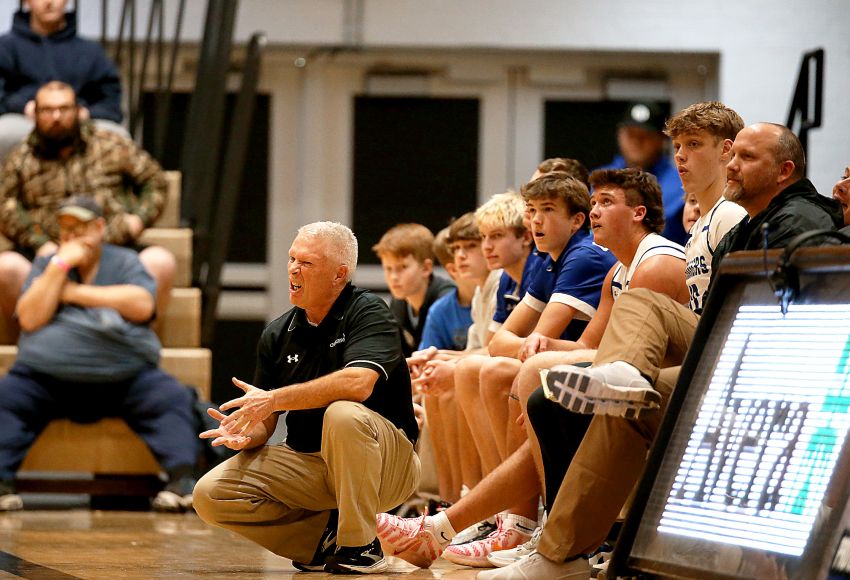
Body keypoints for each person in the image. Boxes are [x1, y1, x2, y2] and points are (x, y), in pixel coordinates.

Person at [491, 123, 844, 580]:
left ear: (784, 171)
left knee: (623, 362)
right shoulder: (743, 223)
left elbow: (797, 309)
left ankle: (554, 545)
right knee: (623, 392)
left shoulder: (797, 218)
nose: (733, 165)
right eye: (733, 155)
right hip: (723, 347)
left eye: (747, 157)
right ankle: (561, 553)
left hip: (759, 362)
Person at [375, 167, 688, 569]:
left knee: (521, 380)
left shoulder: (645, 262)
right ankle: (471, 519)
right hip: (620, 371)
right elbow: (578, 346)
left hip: (662, 380)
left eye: (606, 203)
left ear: (638, 213)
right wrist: (544, 354)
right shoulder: (614, 269)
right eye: (593, 202)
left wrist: (540, 361)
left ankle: (519, 525)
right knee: (496, 377)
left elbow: (636, 354)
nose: (595, 211)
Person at [193, 221, 420, 575]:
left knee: (343, 414)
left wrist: (274, 399)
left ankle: (361, 546)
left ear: (339, 274)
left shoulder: (369, 312)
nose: (293, 269)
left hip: (385, 466)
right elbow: (266, 420)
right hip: (310, 463)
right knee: (209, 493)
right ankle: (320, 541)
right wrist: (247, 434)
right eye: (292, 259)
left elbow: (359, 383)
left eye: (307, 262)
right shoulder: (277, 333)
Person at [0, 196, 196, 513]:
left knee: (172, 397)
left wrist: (71, 294)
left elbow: (142, 304)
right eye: (65, 228)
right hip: (45, 377)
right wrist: (59, 267)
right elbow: (30, 318)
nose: (71, 235)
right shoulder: (48, 265)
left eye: (79, 227)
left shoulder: (125, 261)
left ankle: (182, 484)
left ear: (100, 227)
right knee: (6, 397)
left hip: (124, 376)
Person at [0, 81, 174, 332]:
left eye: (64, 109)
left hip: (113, 248)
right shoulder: (20, 157)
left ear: (79, 111)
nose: (56, 117)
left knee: (161, 261)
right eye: (48, 110)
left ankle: (136, 345)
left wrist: (139, 218)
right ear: (34, 114)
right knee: (5, 267)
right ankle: (36, 345)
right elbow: (4, 204)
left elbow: (155, 181)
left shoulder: (110, 144)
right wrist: (39, 242)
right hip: (49, 255)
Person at [0, 0, 125, 160]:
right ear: (26, 1)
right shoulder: (5, 47)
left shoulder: (91, 52)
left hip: (81, 120)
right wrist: (25, 107)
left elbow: (112, 103)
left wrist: (84, 113)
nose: (49, 2)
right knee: (4, 133)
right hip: (22, 117)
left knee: (118, 138)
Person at [598, 101, 687, 244]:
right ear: (619, 135)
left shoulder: (682, 183)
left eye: (645, 135)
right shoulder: (600, 179)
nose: (636, 141)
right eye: (631, 134)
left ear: (662, 139)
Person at [373, 223, 454, 356]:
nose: (393, 277)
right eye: (388, 268)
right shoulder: (398, 302)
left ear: (426, 268)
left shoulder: (447, 299)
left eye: (403, 267)